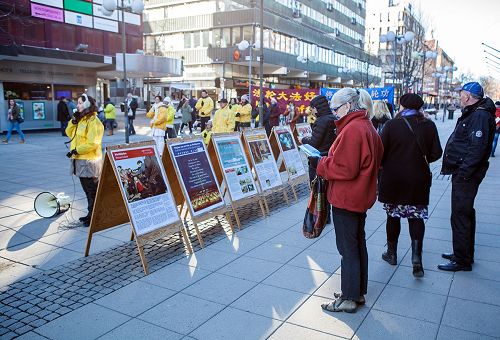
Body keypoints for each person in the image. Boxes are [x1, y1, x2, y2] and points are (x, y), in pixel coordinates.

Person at [316, 88, 383, 313]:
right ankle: (355, 291)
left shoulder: (353, 128)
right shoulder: (366, 125)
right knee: (356, 244)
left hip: (348, 197)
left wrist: (321, 163)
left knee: (348, 249)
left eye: (336, 109)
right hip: (359, 195)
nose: (335, 113)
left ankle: (349, 298)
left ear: (348, 105)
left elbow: (345, 167)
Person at [378, 93, 443, 278]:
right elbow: (437, 153)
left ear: (402, 106)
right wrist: (421, 160)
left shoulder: (392, 125)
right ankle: (416, 258)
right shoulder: (429, 125)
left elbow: (380, 153)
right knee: (416, 217)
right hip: (418, 179)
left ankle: (391, 253)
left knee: (393, 216)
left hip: (394, 179)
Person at [438, 82, 496, 272]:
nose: (459, 97)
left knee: (460, 215)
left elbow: (476, 149)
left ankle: (461, 260)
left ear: (468, 96)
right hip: (466, 173)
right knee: (464, 213)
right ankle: (463, 253)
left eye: (461, 94)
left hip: (467, 175)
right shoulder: (476, 112)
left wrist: (463, 173)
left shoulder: (478, 115)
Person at [65, 94, 104, 227]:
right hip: (80, 160)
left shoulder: (94, 122)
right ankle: (91, 214)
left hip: (89, 161)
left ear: (87, 104)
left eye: (80, 103)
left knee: (92, 190)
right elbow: (69, 133)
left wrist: (77, 150)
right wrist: (73, 120)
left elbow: (92, 143)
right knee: (88, 191)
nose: (78, 105)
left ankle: (93, 216)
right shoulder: (81, 120)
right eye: (78, 103)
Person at [300, 95, 336, 183]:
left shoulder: (321, 121)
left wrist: (303, 139)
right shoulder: (334, 118)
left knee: (317, 188)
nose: (312, 112)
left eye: (312, 110)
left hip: (319, 160)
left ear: (315, 108)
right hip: (330, 157)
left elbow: (313, 144)